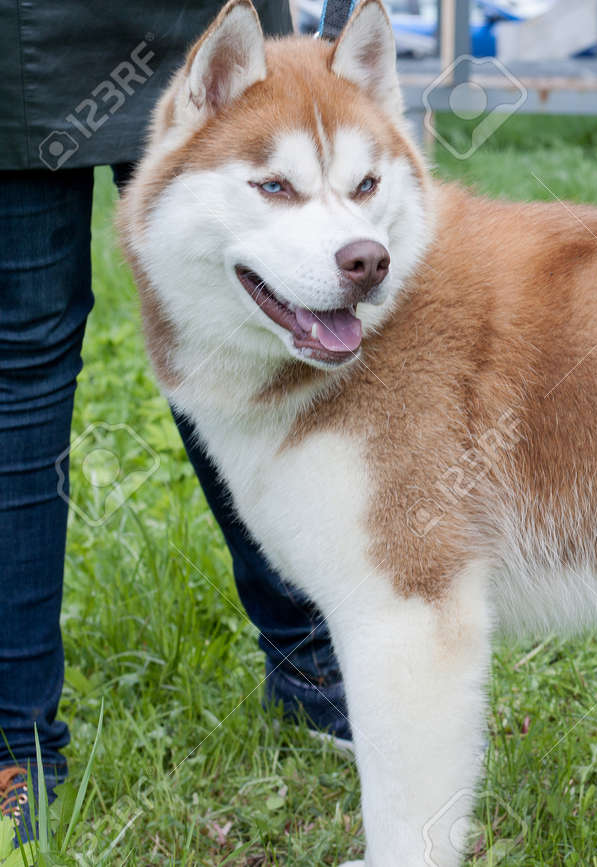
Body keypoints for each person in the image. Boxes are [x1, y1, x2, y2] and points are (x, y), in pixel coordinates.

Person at [0, 0, 349, 845]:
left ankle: (309, 667)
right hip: (21, 35)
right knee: (19, 366)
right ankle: (14, 742)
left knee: (251, 343)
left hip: (210, 28)